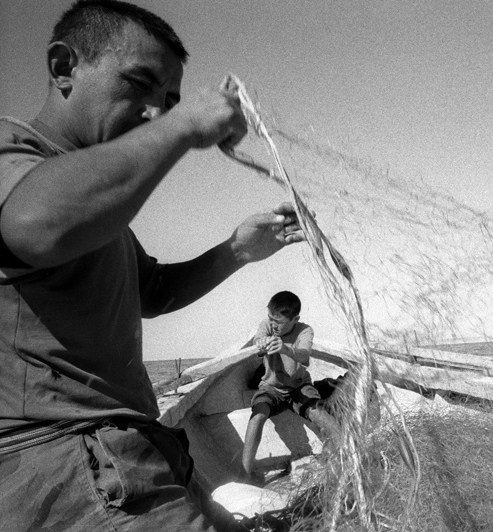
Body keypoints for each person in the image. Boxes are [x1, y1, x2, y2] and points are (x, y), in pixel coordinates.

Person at [0, 1, 305, 530]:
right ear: (64, 67)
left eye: (170, 101)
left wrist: (236, 251)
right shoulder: (16, 156)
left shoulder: (101, 212)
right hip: (65, 458)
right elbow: (33, 225)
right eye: (140, 84)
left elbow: (155, 291)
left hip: (129, 447)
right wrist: (182, 126)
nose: (155, 113)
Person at [242, 291, 338, 479]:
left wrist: (286, 349)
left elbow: (303, 356)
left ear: (295, 319)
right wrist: (261, 343)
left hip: (299, 386)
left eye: (279, 322)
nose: (273, 325)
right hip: (271, 388)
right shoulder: (267, 325)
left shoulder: (305, 330)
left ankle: (349, 454)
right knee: (257, 417)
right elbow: (258, 340)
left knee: (319, 414)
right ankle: (244, 474)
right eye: (271, 319)